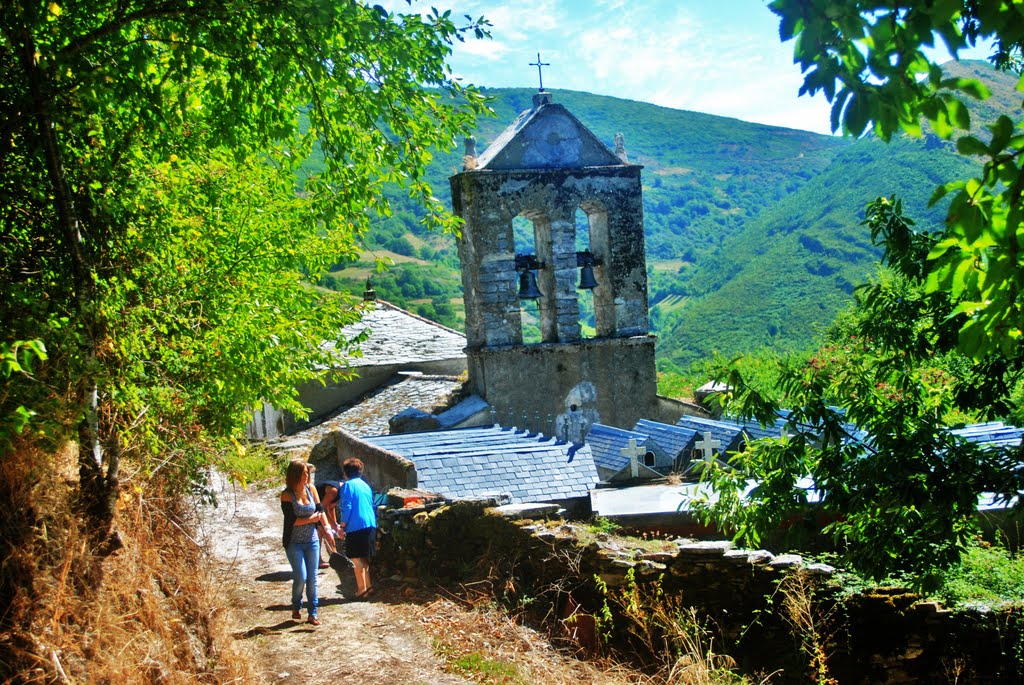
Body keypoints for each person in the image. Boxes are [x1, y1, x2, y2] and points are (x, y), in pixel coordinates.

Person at [280, 460, 324, 625]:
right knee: (301, 576)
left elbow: (320, 510)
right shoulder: (287, 495)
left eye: (308, 473)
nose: (307, 476)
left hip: (312, 540)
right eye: (304, 473)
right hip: (294, 542)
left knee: (312, 578)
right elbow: (293, 521)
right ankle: (296, 605)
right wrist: (312, 519)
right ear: (295, 475)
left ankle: (313, 613)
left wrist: (326, 528)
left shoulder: (311, 489)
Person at [338, 457, 377, 599]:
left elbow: (346, 507)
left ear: (345, 473)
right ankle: (369, 586)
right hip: (370, 523)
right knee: (364, 557)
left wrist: (342, 526)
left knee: (355, 557)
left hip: (356, 525)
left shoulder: (348, 486)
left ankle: (361, 589)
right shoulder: (365, 486)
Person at [315, 478, 342, 568]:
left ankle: (334, 557)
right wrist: (333, 526)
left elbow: (331, 507)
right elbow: (322, 509)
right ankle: (318, 560)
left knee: (326, 532)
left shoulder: (340, 492)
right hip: (314, 507)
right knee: (321, 532)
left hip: (320, 507)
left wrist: (334, 525)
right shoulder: (333, 490)